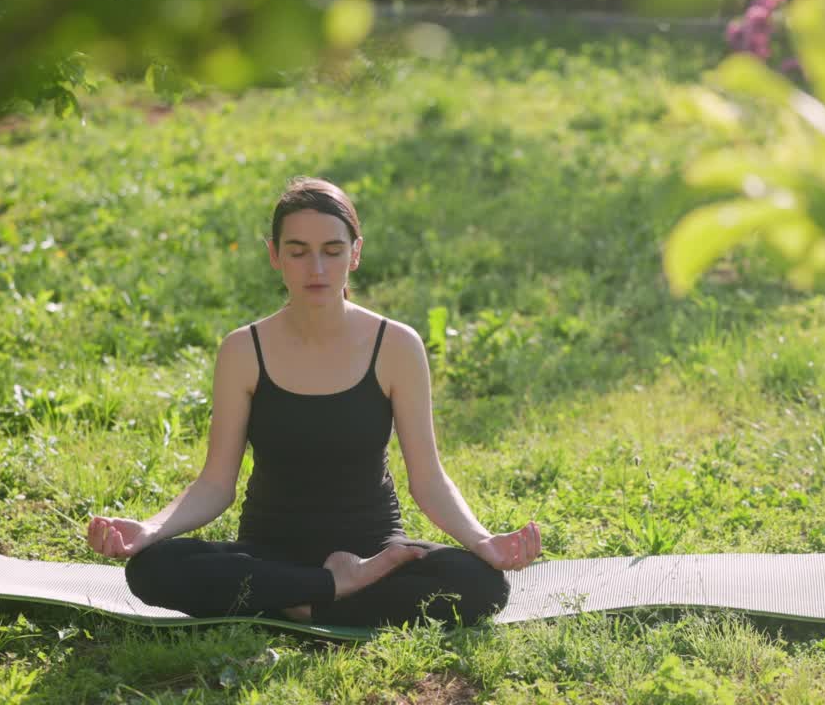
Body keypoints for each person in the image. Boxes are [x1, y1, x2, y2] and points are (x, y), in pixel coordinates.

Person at [86, 177, 542, 628]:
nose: (317, 270)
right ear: (274, 256)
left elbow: (428, 480)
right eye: (298, 252)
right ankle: (329, 590)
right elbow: (215, 484)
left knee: (482, 584)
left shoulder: (396, 345)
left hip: (374, 552)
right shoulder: (244, 349)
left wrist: (483, 542)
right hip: (269, 550)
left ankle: (292, 600)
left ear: (355, 253)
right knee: (152, 567)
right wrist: (151, 529)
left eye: (332, 250)